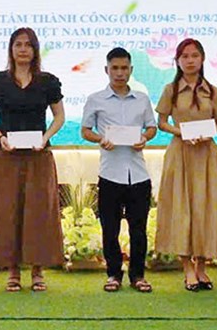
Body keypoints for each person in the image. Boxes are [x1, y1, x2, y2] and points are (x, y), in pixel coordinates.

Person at [0, 27, 64, 292]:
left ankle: (38, 271)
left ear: (35, 49)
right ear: (11, 49)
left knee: (39, 212)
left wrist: (45, 137)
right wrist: (0, 136)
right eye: (18, 44)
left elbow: (59, 117)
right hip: (7, 156)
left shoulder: (48, 81)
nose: (23, 49)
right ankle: (13, 270)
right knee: (8, 211)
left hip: (39, 156)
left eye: (28, 45)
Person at [154, 38, 217, 291]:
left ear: (202, 59)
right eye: (185, 56)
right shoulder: (171, 89)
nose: (190, 60)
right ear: (177, 61)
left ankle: (202, 267)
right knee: (182, 208)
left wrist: (209, 132)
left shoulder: (213, 90)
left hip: (207, 154)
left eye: (194, 55)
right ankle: (187, 268)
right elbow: (161, 122)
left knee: (207, 208)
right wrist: (181, 132)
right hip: (181, 154)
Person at [81, 47, 157, 293]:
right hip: (110, 174)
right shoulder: (95, 99)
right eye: (115, 68)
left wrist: (144, 138)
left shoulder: (143, 99)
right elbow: (85, 131)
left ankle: (138, 276)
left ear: (131, 70)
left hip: (138, 174)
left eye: (124, 68)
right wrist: (100, 139)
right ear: (107, 70)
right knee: (110, 229)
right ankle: (113, 274)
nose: (120, 73)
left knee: (138, 230)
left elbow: (151, 128)